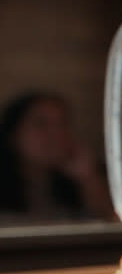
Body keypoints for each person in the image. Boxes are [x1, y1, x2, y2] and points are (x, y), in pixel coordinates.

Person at [0, 92, 112, 221]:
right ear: (13, 135)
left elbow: (112, 223)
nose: (56, 134)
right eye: (41, 124)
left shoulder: (89, 177)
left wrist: (88, 179)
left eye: (63, 124)